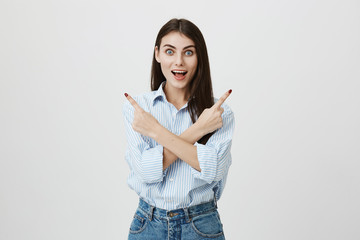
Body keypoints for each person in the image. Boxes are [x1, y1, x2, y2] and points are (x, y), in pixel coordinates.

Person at [123, 18, 235, 240]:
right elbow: (146, 171)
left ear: (199, 57)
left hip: (201, 225)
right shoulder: (138, 109)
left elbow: (212, 169)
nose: (179, 62)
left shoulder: (218, 114)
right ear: (157, 54)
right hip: (148, 225)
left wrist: (156, 131)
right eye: (170, 51)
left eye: (189, 53)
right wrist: (199, 129)